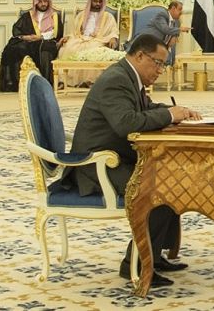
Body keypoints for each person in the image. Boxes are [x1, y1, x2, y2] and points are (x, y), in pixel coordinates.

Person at [65, 34, 201, 288]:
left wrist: (176, 112)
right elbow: (126, 123)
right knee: (159, 189)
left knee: (172, 179)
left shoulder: (128, 76)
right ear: (139, 56)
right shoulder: (116, 80)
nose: (160, 70)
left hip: (115, 158)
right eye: (157, 63)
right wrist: (169, 115)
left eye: (163, 65)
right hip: (96, 165)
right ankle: (136, 265)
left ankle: (153, 254)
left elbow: (145, 108)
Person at [0, 0, 63, 92]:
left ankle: (45, 84)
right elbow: (16, 29)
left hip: (46, 42)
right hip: (29, 42)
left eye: (45, 1)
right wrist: (26, 37)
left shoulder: (54, 16)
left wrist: (40, 37)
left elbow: (57, 33)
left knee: (45, 50)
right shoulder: (27, 16)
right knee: (13, 49)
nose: (43, 4)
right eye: (40, 2)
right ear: (35, 3)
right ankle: (15, 84)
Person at [58, 0, 120, 86]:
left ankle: (90, 81)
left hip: (99, 40)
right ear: (90, 1)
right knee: (68, 48)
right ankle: (67, 80)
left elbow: (113, 31)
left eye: (100, 1)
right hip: (80, 38)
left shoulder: (108, 16)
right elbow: (73, 31)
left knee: (93, 49)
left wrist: (113, 38)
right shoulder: (81, 15)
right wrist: (68, 37)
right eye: (95, 1)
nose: (98, 4)